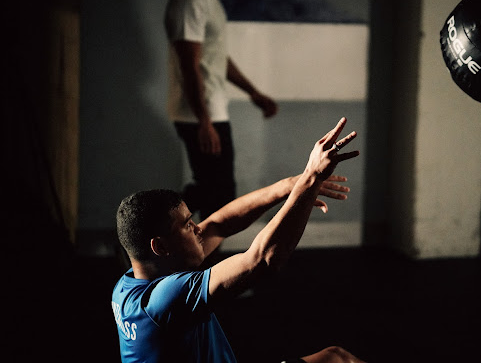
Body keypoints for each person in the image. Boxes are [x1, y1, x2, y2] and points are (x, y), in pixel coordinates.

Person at [112, 118, 366, 363]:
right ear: (160, 246)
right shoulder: (165, 299)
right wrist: (311, 178)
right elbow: (262, 259)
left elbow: (219, 224)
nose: (197, 229)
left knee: (336, 357)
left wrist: (289, 185)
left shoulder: (131, 282)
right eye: (187, 225)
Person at [164, 0, 278, 220]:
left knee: (217, 192)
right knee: (218, 194)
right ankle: (150, 232)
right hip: (199, 114)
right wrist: (204, 121)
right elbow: (190, 65)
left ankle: (155, 233)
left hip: (208, 111)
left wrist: (253, 92)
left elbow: (216, 58)